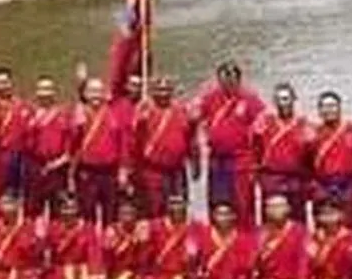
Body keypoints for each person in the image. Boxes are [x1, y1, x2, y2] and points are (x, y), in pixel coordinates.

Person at [195, 62, 264, 225]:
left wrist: (258, 162)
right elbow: (193, 115)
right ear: (219, 79)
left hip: (241, 161)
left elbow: (263, 128)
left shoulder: (250, 99)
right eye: (225, 78)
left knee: (243, 204)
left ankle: (246, 240)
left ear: (238, 79)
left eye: (232, 78)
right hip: (216, 160)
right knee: (216, 202)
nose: (228, 82)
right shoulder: (210, 97)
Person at [253, 83, 315, 224]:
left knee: (297, 222)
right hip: (272, 180)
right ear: (275, 102)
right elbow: (255, 151)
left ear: (293, 100)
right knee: (271, 222)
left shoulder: (305, 125)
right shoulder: (263, 124)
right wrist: (260, 177)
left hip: (296, 181)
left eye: (286, 98)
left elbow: (311, 158)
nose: (284, 103)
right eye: (280, 99)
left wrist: (308, 182)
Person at [134, 77, 196, 219]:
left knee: (179, 209)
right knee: (155, 209)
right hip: (153, 170)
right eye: (159, 90)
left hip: (177, 170)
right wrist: (140, 124)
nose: (163, 94)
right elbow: (134, 142)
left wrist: (194, 162)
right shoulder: (145, 110)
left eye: (166, 90)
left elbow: (190, 139)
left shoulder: (181, 110)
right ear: (153, 92)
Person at [242, 194, 310, 279]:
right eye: (271, 207)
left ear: (288, 209)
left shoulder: (299, 231)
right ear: (266, 211)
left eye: (279, 206)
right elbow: (251, 262)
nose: (276, 210)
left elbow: (303, 261)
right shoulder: (260, 232)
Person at [311, 92, 352, 230]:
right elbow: (305, 165)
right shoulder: (313, 133)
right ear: (319, 110)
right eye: (324, 107)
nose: (329, 110)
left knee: (350, 229)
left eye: (332, 106)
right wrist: (315, 189)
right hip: (323, 188)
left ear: (339, 108)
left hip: (349, 188)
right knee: (324, 231)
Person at [71, 77, 126, 224]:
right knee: (87, 215)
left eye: (99, 91)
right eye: (92, 91)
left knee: (111, 215)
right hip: (88, 172)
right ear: (85, 94)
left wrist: (123, 170)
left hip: (110, 172)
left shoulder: (114, 113)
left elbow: (122, 144)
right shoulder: (79, 114)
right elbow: (71, 147)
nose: (96, 95)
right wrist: (76, 126)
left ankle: (108, 245)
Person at [187, 201, 257, 279]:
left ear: (234, 216)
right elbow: (196, 268)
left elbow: (247, 270)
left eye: (227, 214)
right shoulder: (203, 237)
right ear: (213, 216)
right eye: (219, 214)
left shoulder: (244, 240)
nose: (223, 218)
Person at [23, 75, 72, 218]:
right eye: (42, 89)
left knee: (58, 210)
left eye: (49, 89)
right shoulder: (29, 114)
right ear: (37, 92)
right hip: (34, 167)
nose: (45, 93)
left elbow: (71, 144)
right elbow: (23, 144)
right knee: (32, 210)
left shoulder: (64, 114)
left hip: (57, 168)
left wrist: (60, 161)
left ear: (54, 92)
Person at [0, 68, 31, 211]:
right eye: (0, 83)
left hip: (20, 158)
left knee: (17, 196)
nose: (4, 86)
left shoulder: (23, 105)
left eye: (6, 82)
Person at [41, 192, 103, 279]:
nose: (69, 212)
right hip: (60, 274)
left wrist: (94, 275)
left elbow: (94, 254)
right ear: (59, 210)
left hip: (82, 273)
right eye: (65, 208)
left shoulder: (87, 228)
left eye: (72, 208)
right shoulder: (53, 228)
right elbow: (46, 255)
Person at [139, 194, 197, 279]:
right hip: (159, 272)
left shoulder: (193, 227)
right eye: (173, 203)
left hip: (179, 274)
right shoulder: (155, 226)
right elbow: (146, 252)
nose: (176, 207)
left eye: (179, 203)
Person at [311, 199, 352, 279]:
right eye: (324, 214)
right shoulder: (315, 238)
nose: (328, 219)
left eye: (331, 213)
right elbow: (314, 267)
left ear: (341, 216)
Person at [101, 200, 148, 279]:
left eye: (130, 213)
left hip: (135, 272)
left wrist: (138, 276)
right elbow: (107, 258)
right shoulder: (112, 231)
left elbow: (143, 258)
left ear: (136, 215)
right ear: (119, 216)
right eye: (124, 213)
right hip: (117, 271)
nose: (127, 217)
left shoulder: (141, 230)